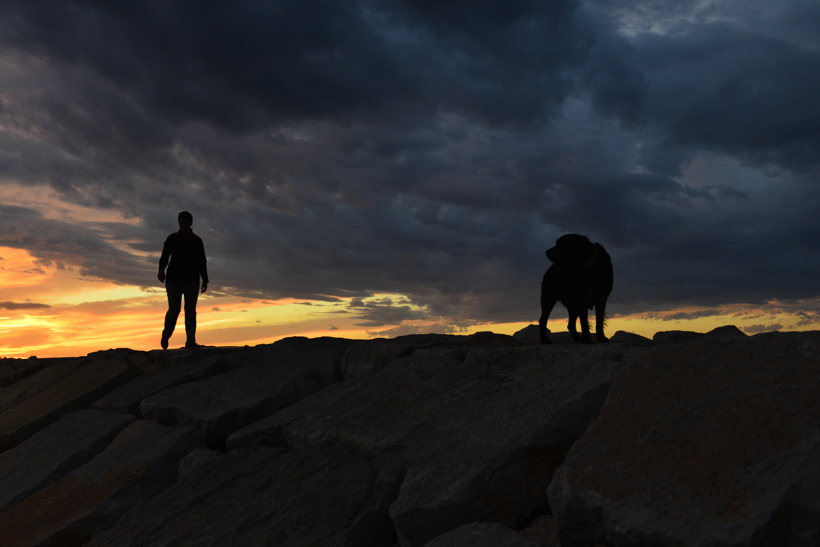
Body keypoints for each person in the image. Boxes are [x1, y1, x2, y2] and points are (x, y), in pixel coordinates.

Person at [158, 211, 209, 349]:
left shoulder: (197, 241)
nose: (184, 225)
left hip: (192, 280)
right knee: (174, 310)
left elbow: (201, 261)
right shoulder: (172, 239)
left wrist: (205, 279)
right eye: (181, 223)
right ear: (179, 223)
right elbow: (165, 256)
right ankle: (166, 334)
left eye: (186, 222)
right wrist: (161, 270)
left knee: (190, 310)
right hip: (174, 279)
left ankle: (191, 341)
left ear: (191, 223)